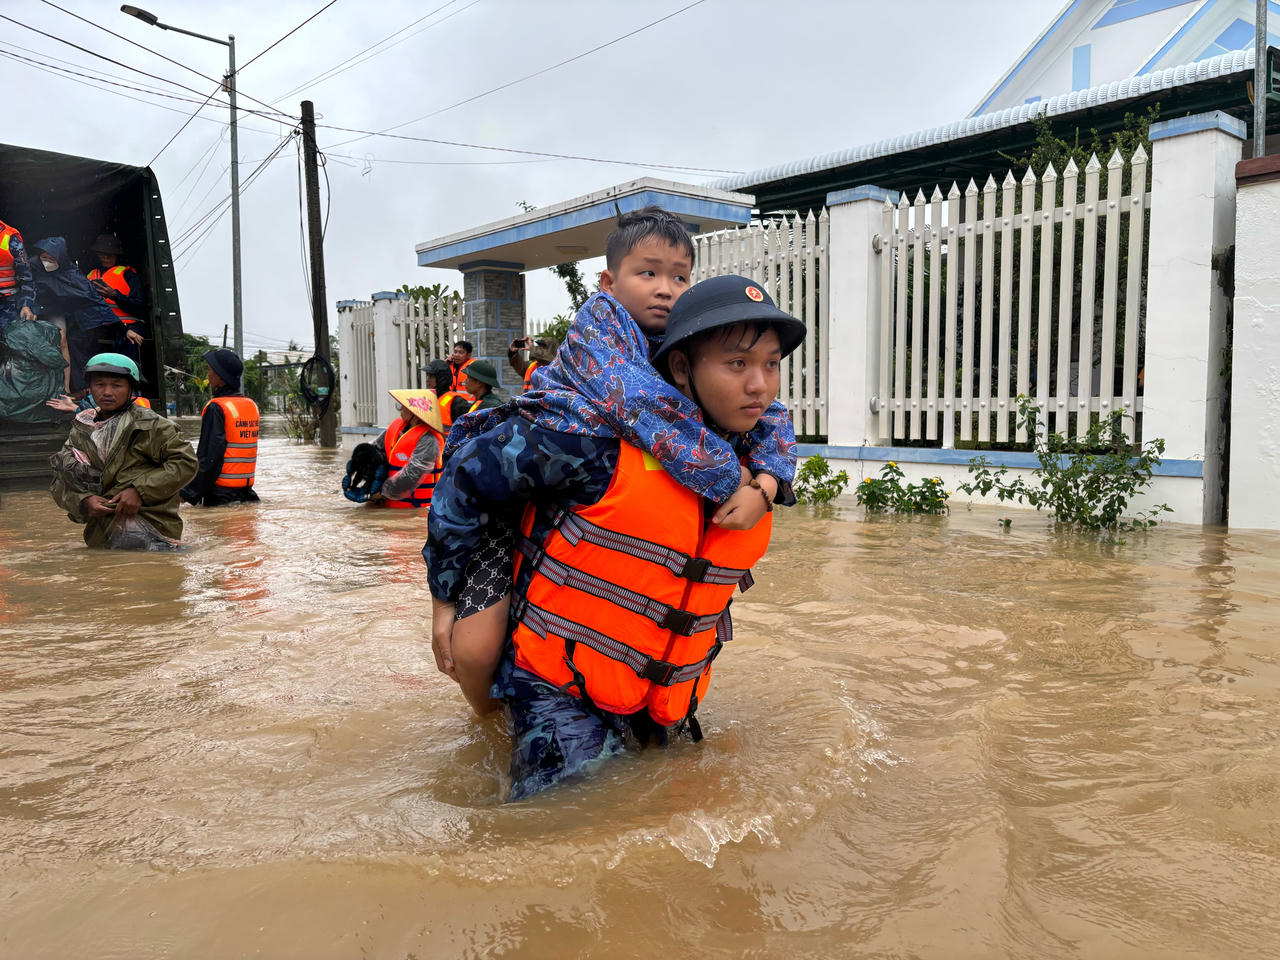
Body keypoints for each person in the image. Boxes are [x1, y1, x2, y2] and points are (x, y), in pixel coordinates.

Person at [430, 275, 805, 799]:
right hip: (560, 689)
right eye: (737, 364)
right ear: (680, 367)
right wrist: (445, 595)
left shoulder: (758, 457)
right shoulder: (593, 444)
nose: (760, 385)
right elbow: (465, 472)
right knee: (564, 826)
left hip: (665, 693)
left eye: (771, 364)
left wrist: (765, 486)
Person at [49, 353, 196, 550]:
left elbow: (186, 463)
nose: (107, 392)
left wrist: (140, 491)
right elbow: (60, 480)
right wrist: (84, 501)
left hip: (155, 536)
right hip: (101, 538)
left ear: (131, 390)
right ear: (90, 389)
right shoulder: (81, 430)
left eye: (117, 385)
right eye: (100, 384)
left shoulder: (152, 426)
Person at [28, 237, 130, 395]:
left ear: (60, 258)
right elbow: (24, 286)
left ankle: (66, 388)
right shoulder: (32, 265)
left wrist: (123, 329)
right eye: (44, 257)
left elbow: (94, 300)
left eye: (51, 258)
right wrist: (29, 306)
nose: (47, 262)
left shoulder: (72, 274)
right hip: (33, 307)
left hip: (55, 311)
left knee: (62, 341)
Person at [180, 348, 260, 507]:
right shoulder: (251, 406)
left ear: (220, 376)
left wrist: (187, 494)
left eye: (210, 370)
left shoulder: (216, 408)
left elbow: (210, 458)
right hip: (247, 493)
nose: (208, 375)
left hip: (220, 496)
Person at [368, 388, 445, 509]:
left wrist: (381, 493)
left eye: (404, 406)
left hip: (417, 509)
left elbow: (411, 476)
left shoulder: (429, 440)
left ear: (414, 412)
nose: (400, 409)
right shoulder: (396, 430)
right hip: (392, 505)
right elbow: (372, 450)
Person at [85, 234, 146, 363]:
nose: (106, 257)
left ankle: (129, 378)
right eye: (102, 254)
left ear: (117, 255)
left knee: (131, 340)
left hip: (126, 325)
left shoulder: (128, 275)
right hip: (99, 325)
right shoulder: (90, 274)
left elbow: (139, 306)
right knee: (79, 339)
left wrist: (115, 296)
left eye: (110, 254)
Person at [0, 216, 37, 333]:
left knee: (10, 345)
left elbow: (27, 277)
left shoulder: (10, 238)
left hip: (7, 307)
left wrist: (26, 305)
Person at [422, 357, 472, 428]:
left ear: (441, 378)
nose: (427, 380)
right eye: (427, 375)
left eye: (431, 376)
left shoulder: (457, 402)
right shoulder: (426, 399)